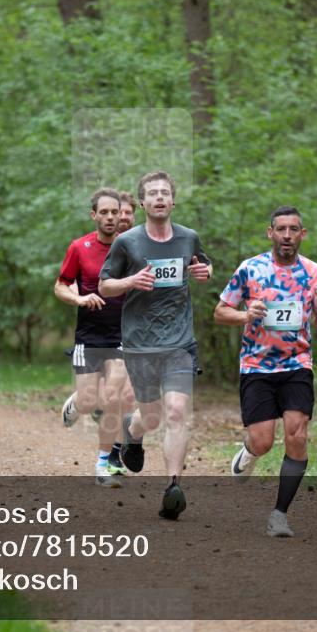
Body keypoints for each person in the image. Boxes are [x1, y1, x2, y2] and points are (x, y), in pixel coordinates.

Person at [213, 205, 317, 537]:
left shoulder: (315, 273)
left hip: (297, 364)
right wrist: (245, 315)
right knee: (263, 441)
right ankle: (250, 451)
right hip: (257, 366)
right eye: (281, 229)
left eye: (293, 229)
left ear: (302, 234)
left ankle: (279, 514)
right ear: (271, 233)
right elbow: (220, 312)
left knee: (297, 434)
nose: (287, 235)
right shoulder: (250, 269)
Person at [99, 171, 212, 519]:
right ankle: (131, 432)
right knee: (151, 416)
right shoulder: (127, 242)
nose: (159, 197)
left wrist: (205, 272)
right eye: (152, 193)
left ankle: (173, 487)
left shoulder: (188, 238)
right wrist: (131, 281)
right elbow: (104, 286)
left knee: (176, 411)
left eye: (165, 192)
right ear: (142, 202)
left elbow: (203, 265)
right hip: (140, 343)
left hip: (179, 343)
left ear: (173, 201)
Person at [55, 188, 135, 486]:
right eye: (104, 212)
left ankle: (103, 464)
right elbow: (61, 285)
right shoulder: (80, 247)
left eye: (115, 212)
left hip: (122, 336)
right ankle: (77, 403)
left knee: (113, 396)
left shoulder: (132, 248)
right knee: (90, 402)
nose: (111, 217)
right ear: (94, 215)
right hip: (89, 336)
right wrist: (78, 299)